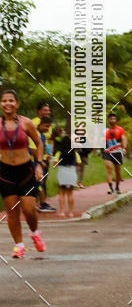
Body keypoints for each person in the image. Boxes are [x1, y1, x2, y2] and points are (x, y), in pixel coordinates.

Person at [0, 89, 46, 257]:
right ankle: (19, 246)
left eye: (11, 100)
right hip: (5, 173)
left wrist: (39, 165)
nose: (8, 104)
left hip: (25, 171)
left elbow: (39, 143)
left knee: (28, 210)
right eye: (4, 101)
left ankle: (34, 233)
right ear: (1, 104)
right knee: (12, 212)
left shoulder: (26, 123)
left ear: (17, 104)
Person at [29, 103, 56, 212]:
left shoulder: (45, 129)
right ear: (39, 111)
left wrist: (50, 154)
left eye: (48, 110)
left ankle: (41, 202)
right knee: (37, 181)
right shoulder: (33, 124)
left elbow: (49, 140)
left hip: (44, 157)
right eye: (45, 110)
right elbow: (32, 145)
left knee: (42, 181)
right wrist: (39, 161)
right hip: (35, 159)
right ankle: (38, 203)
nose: (47, 112)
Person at [53, 128, 80, 218]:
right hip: (72, 172)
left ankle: (62, 212)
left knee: (61, 193)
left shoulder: (59, 153)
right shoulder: (74, 153)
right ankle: (71, 212)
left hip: (62, 172)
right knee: (70, 193)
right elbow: (79, 163)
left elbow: (55, 164)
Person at [104, 113, 127, 194]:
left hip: (117, 152)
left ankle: (117, 187)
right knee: (109, 168)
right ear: (108, 120)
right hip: (108, 152)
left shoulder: (120, 129)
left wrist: (124, 148)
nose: (113, 120)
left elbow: (123, 138)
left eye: (114, 119)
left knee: (118, 171)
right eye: (111, 119)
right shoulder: (105, 131)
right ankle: (110, 188)